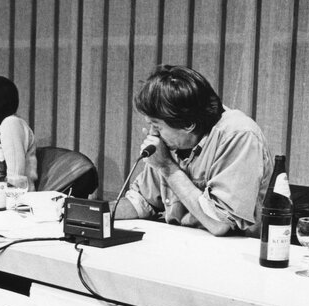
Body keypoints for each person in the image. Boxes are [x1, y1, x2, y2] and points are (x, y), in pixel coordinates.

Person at [114, 64, 272, 236]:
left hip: (237, 251)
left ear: (188, 124)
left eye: (157, 126)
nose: (152, 134)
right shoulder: (172, 142)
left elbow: (220, 224)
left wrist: (167, 168)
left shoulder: (238, 135)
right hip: (186, 244)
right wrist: (92, 213)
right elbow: (141, 202)